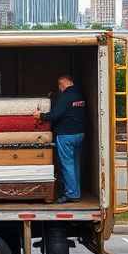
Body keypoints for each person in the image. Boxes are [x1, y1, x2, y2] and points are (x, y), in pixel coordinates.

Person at [33, 74, 86, 204]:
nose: (59, 88)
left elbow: (55, 114)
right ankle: (76, 191)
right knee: (74, 164)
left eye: (59, 86)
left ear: (62, 84)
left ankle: (71, 194)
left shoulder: (65, 97)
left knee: (67, 165)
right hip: (79, 134)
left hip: (66, 135)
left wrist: (40, 115)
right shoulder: (79, 96)